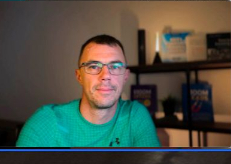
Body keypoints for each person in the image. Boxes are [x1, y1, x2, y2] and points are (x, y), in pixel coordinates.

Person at [16, 35, 160, 149]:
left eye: (115, 66)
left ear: (125, 76)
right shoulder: (46, 121)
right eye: (93, 66)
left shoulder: (135, 116)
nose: (105, 75)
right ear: (79, 76)